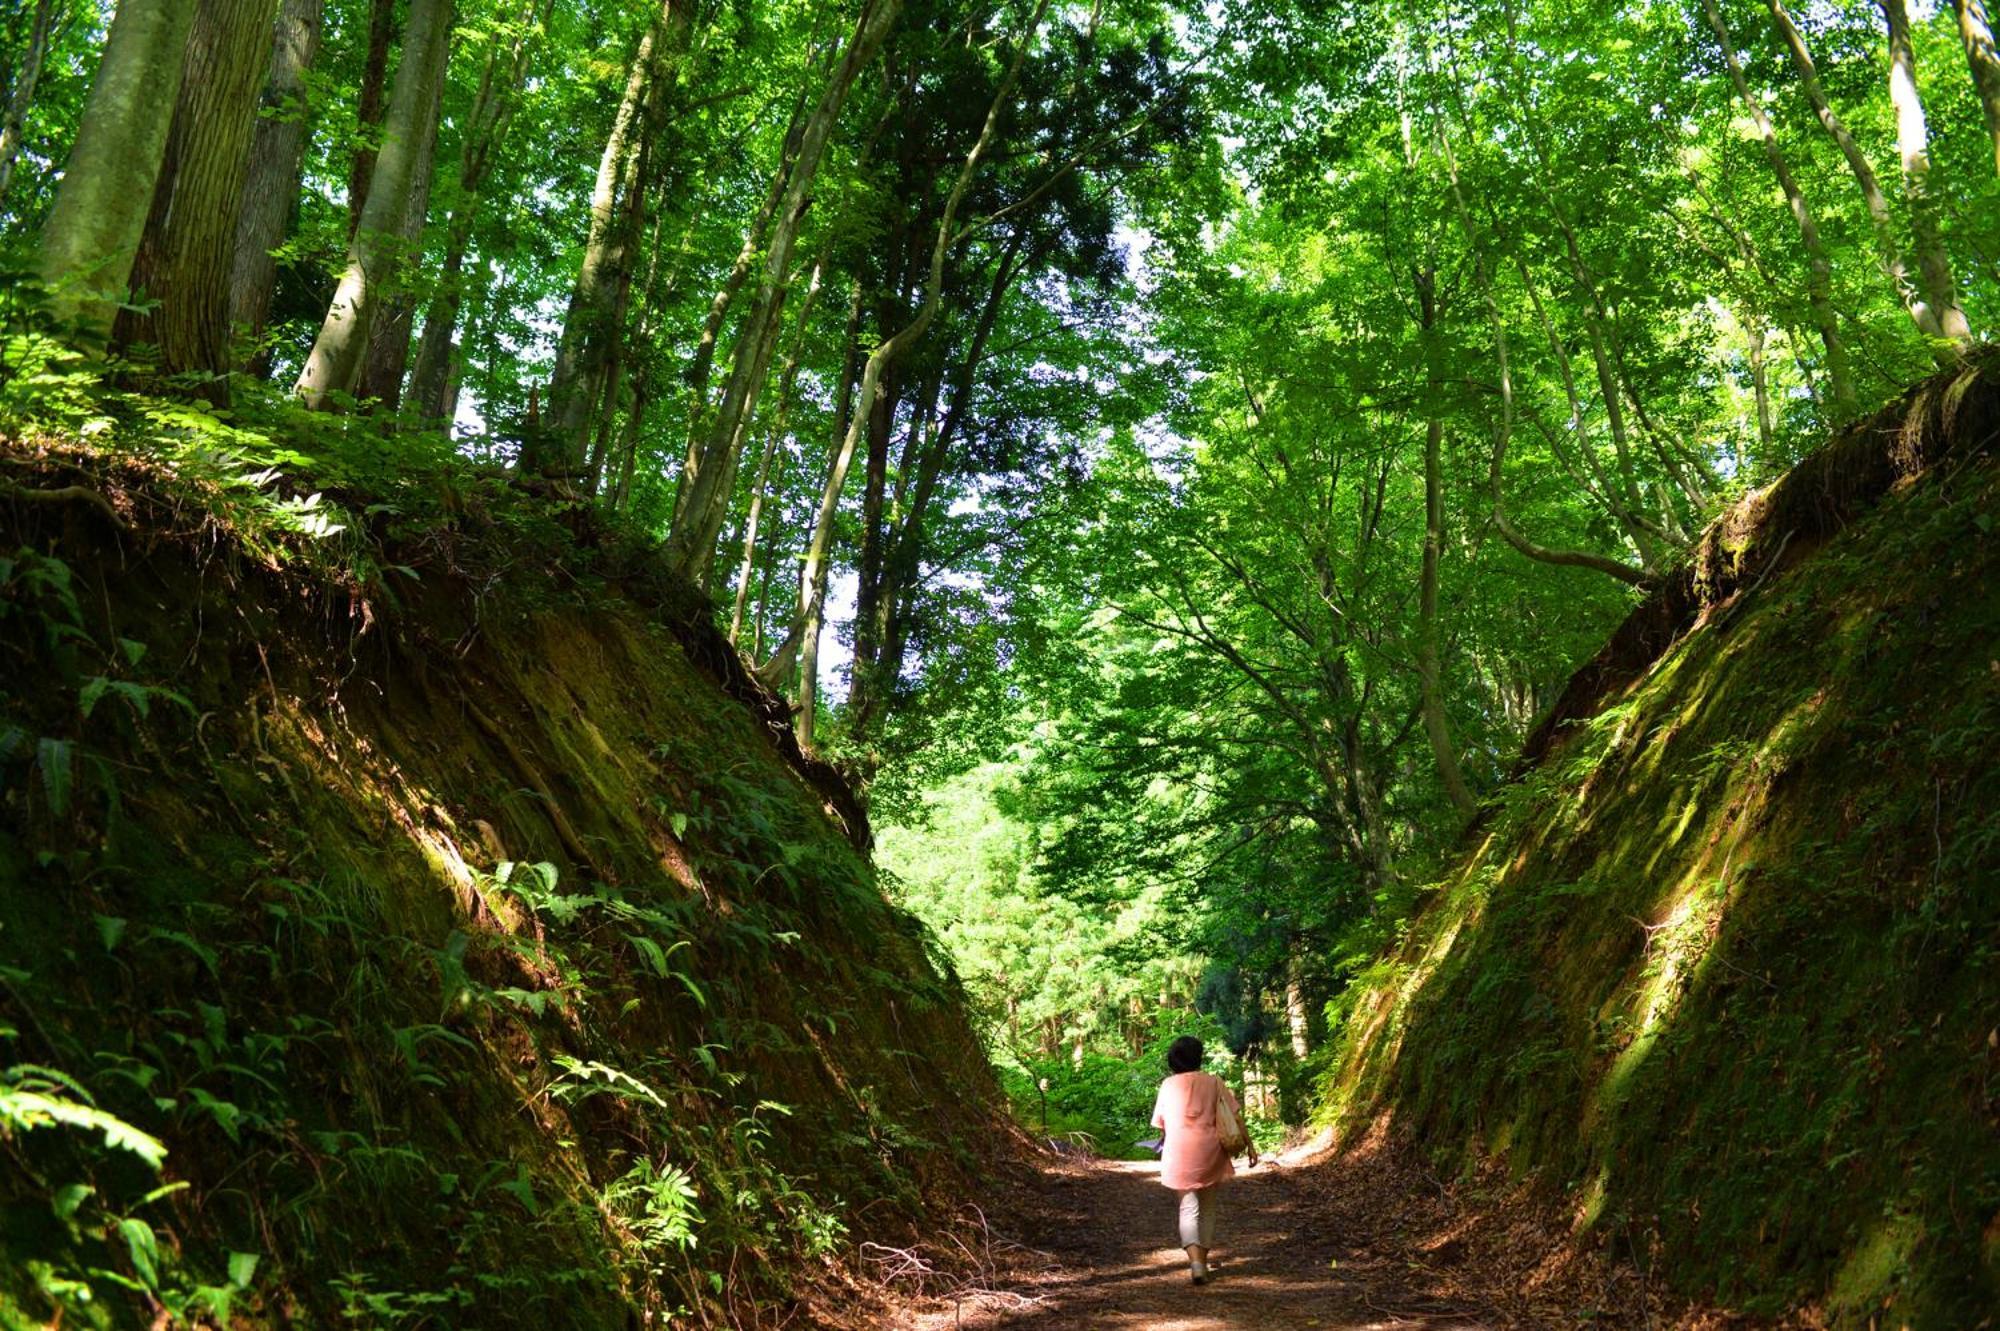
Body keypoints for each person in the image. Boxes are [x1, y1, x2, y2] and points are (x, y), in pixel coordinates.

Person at [1150, 1035, 1257, 1285]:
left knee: (1188, 1208)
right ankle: (1204, 1261)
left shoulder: (1168, 1085)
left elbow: (1161, 1125)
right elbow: (1236, 1117)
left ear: (1173, 1060)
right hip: (1211, 1151)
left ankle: (1196, 1263)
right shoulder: (1214, 1082)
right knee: (1208, 1208)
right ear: (1198, 1057)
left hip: (1179, 1152)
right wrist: (1250, 1146)